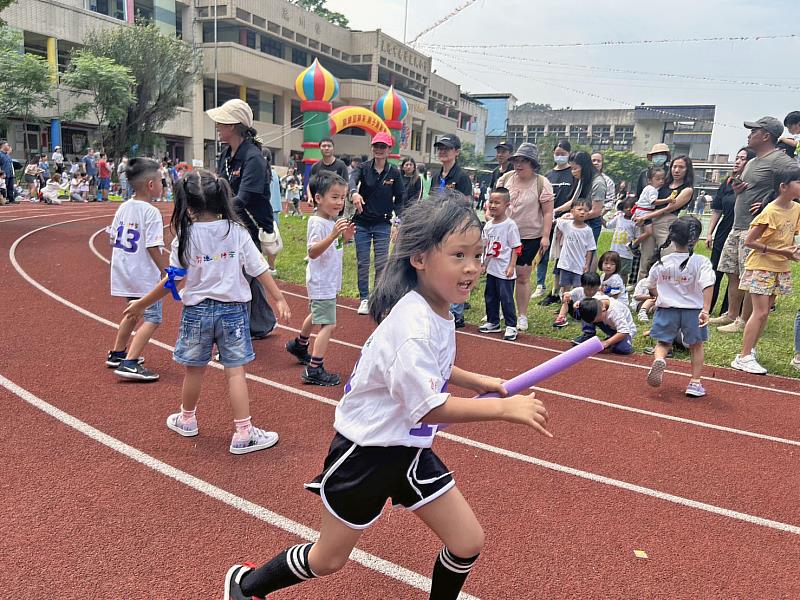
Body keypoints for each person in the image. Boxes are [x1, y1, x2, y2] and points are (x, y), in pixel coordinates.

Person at [224, 192, 551, 600]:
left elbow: (426, 368)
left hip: (408, 450)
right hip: (367, 452)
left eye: (477, 255)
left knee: (466, 541)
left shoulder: (437, 307)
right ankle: (246, 586)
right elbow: (429, 407)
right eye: (459, 255)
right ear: (419, 258)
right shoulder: (412, 324)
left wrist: (473, 380)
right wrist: (503, 409)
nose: (472, 268)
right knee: (327, 560)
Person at [124, 170, 291, 453]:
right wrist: (279, 298)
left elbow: (174, 280)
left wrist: (141, 303)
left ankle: (187, 419)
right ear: (222, 198)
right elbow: (259, 268)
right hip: (234, 312)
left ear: (187, 204)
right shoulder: (236, 232)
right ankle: (243, 432)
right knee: (235, 372)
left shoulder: (186, 236)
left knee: (194, 371)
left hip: (196, 313)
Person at [712, 117, 795, 333]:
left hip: (755, 227)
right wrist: (739, 187)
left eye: (754, 131)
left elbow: (794, 182)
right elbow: (752, 185)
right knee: (733, 270)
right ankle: (731, 314)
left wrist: (769, 199)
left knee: (749, 275)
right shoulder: (752, 161)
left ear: (766, 135)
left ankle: (743, 320)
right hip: (737, 225)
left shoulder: (780, 160)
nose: (749, 135)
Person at [207, 98, 277, 339]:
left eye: (221, 122)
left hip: (250, 227)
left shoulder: (254, 158)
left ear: (234, 125)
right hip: (233, 223)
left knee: (239, 277)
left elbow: (244, 198)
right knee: (250, 275)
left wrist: (215, 213)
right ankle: (262, 323)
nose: (217, 125)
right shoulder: (227, 154)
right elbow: (219, 187)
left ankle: (237, 333)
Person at [285, 171, 354, 386]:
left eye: (342, 198)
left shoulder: (332, 221)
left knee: (316, 314)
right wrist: (334, 235)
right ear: (318, 198)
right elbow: (313, 252)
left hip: (328, 279)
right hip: (321, 280)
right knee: (329, 324)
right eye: (334, 197)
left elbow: (336, 247)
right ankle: (314, 369)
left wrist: (345, 238)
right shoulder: (317, 222)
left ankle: (299, 345)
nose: (339, 202)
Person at [730, 166, 800, 375]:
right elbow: (750, 241)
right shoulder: (770, 211)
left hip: (779, 266)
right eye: (798, 182)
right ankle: (743, 356)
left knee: (765, 312)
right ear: (783, 187)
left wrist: (792, 252)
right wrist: (781, 251)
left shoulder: (796, 208)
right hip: (761, 266)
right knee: (759, 312)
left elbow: (791, 236)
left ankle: (750, 350)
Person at [105, 158, 169, 381]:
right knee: (153, 317)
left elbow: (112, 237)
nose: (164, 185)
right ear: (151, 185)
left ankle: (117, 353)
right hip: (143, 274)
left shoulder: (123, 207)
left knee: (133, 312)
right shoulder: (151, 212)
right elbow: (152, 245)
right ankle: (130, 362)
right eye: (162, 181)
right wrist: (166, 270)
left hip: (124, 270)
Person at [644, 216, 715, 397]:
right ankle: (695, 383)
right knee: (696, 345)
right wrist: (705, 309)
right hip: (693, 310)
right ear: (695, 238)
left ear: (672, 237)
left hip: (667, 308)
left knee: (663, 342)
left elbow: (650, 284)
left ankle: (660, 359)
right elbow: (708, 284)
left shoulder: (663, 261)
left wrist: (659, 296)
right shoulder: (701, 262)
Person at [497, 143, 554, 331]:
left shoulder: (541, 183)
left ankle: (521, 315)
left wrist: (545, 236)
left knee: (522, 275)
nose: (519, 165)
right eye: (517, 161)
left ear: (533, 164)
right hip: (504, 234)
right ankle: (500, 310)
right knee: (501, 274)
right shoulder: (505, 179)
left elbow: (547, 213)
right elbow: (496, 202)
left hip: (529, 237)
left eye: (524, 161)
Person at [349, 132, 405, 315]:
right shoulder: (363, 168)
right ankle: (364, 297)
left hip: (383, 223)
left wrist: (399, 220)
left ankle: (376, 297)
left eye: (383, 146)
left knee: (381, 263)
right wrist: (353, 193)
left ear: (389, 150)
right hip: (362, 223)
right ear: (372, 148)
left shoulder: (394, 172)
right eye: (376, 146)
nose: (379, 150)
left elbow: (400, 198)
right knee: (363, 262)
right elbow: (351, 180)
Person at [705, 148, 756, 315]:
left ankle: (729, 311)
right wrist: (710, 232)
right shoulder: (727, 182)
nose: (737, 161)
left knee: (735, 273)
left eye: (742, 159)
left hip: (744, 231)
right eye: (737, 158)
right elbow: (717, 210)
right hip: (723, 231)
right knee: (716, 271)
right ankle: (707, 307)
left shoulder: (753, 185)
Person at [634, 155, 695, 282]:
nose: (676, 170)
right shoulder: (662, 184)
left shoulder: (687, 190)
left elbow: (669, 208)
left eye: (681, 167)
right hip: (649, 223)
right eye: (674, 166)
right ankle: (640, 292)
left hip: (666, 223)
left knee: (667, 259)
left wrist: (646, 216)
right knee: (646, 260)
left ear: (687, 170)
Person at [478, 187, 521, 341]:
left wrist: (511, 266)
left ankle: (511, 325)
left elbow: (516, 247)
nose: (493, 205)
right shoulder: (488, 225)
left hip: (504, 269)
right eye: (491, 202)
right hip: (492, 268)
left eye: (497, 202)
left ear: (507, 205)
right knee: (490, 296)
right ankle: (493, 321)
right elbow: (485, 247)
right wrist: (483, 264)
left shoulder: (510, 225)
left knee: (506, 297)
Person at [534, 139, 574, 301]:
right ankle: (540, 284)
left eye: (563, 154)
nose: (559, 156)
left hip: (564, 220)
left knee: (560, 254)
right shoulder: (548, 175)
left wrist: (559, 212)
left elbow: (573, 199)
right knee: (542, 251)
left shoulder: (573, 174)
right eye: (557, 154)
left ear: (569, 154)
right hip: (546, 219)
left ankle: (556, 288)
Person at [553, 197, 596, 295]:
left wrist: (587, 264)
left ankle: (575, 307)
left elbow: (590, 249)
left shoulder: (588, 230)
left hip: (579, 265)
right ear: (572, 211)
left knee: (578, 288)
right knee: (565, 287)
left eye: (585, 211)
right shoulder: (566, 225)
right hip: (566, 264)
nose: (582, 212)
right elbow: (555, 221)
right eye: (579, 209)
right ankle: (564, 305)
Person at [630, 166, 667, 251]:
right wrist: (667, 200)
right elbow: (653, 202)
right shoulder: (652, 190)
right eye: (658, 179)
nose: (661, 181)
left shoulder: (648, 188)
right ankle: (634, 244)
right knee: (648, 232)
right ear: (650, 180)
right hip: (644, 213)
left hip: (640, 211)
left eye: (662, 179)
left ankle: (635, 243)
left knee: (641, 229)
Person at [604, 197, 636, 285]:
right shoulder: (619, 218)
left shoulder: (635, 222)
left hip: (626, 253)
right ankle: (609, 286)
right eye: (626, 207)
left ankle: (622, 288)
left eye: (631, 207)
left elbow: (637, 237)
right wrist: (600, 216)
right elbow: (608, 225)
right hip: (615, 250)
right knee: (611, 270)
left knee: (623, 273)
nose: (628, 210)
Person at [308, 137, 349, 202]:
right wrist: (310, 197)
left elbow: (346, 184)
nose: (326, 148)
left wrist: (341, 199)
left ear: (333, 148)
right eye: (324, 146)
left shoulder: (341, 165)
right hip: (320, 203)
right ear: (320, 148)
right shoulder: (315, 166)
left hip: (336, 203)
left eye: (329, 146)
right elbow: (310, 184)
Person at [0, 140, 16, 204]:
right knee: (4, 188)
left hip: (10, 174)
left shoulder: (7, 155)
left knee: (10, 187)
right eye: (7, 145)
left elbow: (10, 165)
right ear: (3, 146)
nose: (8, 146)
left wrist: (12, 173)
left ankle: (11, 199)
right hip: (3, 174)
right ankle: (4, 199)